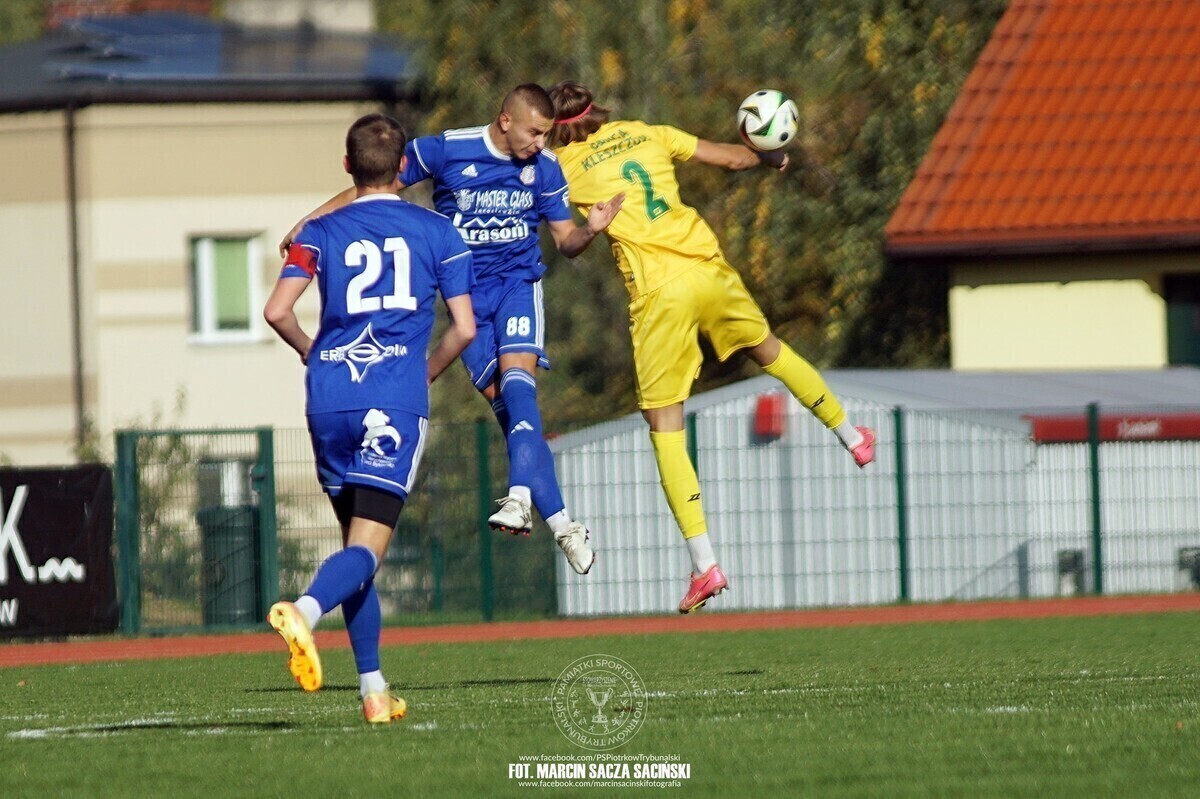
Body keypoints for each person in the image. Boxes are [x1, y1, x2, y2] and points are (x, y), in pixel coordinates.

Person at [547, 81, 876, 614]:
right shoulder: (643, 132)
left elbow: (568, 244)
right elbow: (729, 159)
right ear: (597, 111)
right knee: (770, 350)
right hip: (705, 265)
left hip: (658, 295)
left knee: (666, 428)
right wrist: (771, 157)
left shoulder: (558, 169)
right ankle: (852, 435)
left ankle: (706, 565)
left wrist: (581, 221)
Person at [281, 84, 623, 576]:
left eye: (546, 135)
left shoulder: (545, 169)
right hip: (464, 295)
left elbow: (566, 241)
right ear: (506, 120)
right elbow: (374, 185)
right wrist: (310, 221)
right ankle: (566, 525)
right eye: (534, 132)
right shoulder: (445, 149)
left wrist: (590, 228)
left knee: (520, 386)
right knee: (510, 414)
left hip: (516, 287)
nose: (541, 144)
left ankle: (520, 497)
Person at [263, 113, 476, 723]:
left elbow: (278, 311)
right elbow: (464, 328)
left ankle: (374, 692)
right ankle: (303, 610)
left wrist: (316, 352)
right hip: (392, 401)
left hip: (328, 397)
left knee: (356, 551)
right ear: (404, 168)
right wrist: (426, 371)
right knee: (368, 551)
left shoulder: (320, 229)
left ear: (347, 165)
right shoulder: (440, 233)